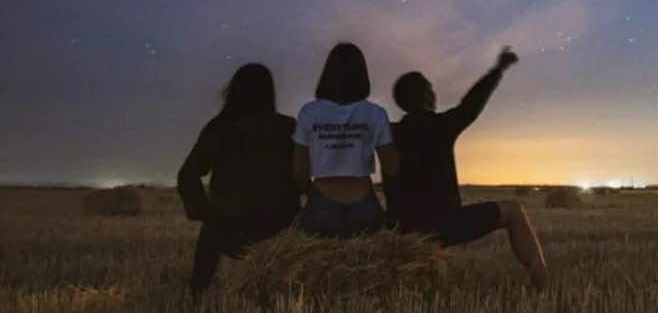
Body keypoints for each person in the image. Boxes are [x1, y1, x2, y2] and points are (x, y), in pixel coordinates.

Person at [391, 46, 548, 290]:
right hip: (443, 225)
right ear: (426, 96)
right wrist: (498, 70)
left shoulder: (390, 132)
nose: (434, 92)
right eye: (430, 88)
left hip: (402, 227)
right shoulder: (442, 126)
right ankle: (545, 287)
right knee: (514, 210)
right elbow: (472, 103)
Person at [177, 63, 300, 294]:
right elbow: (301, 175)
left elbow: (187, 175)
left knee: (208, 240)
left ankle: (197, 292)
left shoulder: (220, 127)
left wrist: (205, 213)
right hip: (278, 222)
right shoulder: (288, 127)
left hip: (228, 223)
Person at [292, 42, 399, 237]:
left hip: (322, 202)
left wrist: (311, 191)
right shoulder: (375, 113)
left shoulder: (308, 112)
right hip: (363, 202)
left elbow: (299, 170)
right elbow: (392, 167)